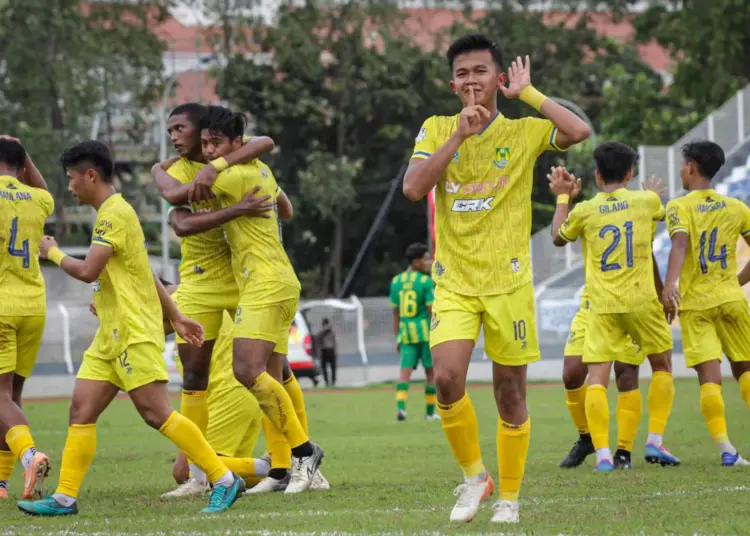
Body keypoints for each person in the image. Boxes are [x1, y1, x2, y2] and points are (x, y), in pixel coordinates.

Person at [402, 33, 590, 524]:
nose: (471, 81)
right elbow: (413, 187)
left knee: (510, 393)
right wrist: (459, 136)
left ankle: (509, 496)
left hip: (509, 284)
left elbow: (578, 131)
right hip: (455, 282)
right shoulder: (437, 127)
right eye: (462, 73)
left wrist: (529, 95)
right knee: (445, 379)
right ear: (452, 83)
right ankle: (474, 477)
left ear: (497, 77)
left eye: (480, 71)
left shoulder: (524, 132)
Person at [17, 141, 244, 517]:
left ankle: (223, 479)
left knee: (157, 414)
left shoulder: (113, 214)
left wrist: (52, 252)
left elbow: (89, 269)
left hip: (133, 333)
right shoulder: (113, 213)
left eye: (72, 178)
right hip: (111, 334)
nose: (70, 187)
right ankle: (64, 497)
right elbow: (146, 274)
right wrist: (177, 317)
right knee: (80, 410)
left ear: (91, 175)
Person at [166, 106, 324, 494]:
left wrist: (165, 169)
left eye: (214, 142)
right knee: (274, 373)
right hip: (270, 279)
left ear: (236, 144)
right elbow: (285, 206)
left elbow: (178, 210)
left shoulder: (232, 175)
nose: (206, 150)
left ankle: (304, 453)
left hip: (265, 283)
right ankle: (283, 469)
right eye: (204, 142)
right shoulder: (259, 170)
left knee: (248, 372)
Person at [150, 102, 276, 487]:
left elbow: (267, 144)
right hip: (200, 283)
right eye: (169, 130)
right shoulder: (171, 169)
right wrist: (157, 169)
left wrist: (216, 167)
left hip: (244, 280)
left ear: (204, 132)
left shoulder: (231, 158)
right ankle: (204, 474)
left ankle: (295, 461)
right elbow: (177, 211)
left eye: (180, 128)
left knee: (273, 370)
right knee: (192, 372)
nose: (174, 136)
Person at [552, 142, 678, 474]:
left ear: (595, 175)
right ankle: (647, 438)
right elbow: (658, 214)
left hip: (604, 305)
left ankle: (615, 453)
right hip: (635, 303)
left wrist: (563, 197)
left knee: (608, 376)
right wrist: (650, 195)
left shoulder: (586, 210)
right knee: (661, 365)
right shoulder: (647, 201)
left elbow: (558, 237)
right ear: (631, 173)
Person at [662, 140, 750, 466]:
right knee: (745, 370)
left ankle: (727, 449)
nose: (681, 169)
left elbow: (680, 246)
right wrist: (733, 282)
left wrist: (670, 284)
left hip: (696, 304)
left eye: (683, 164)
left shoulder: (679, 207)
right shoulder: (737, 207)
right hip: (731, 299)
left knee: (709, 377)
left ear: (691, 167)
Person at [0, 137, 53, 501]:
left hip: (1, 305)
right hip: (34, 305)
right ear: (21, 167)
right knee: (11, 397)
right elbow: (44, 189)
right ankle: (1, 482)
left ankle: (29, 454)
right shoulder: (37, 198)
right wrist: (23, 153)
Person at [389, 243, 439, 422]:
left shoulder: (396, 282)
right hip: (425, 333)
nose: (429, 262)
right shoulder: (426, 282)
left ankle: (401, 409)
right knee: (431, 374)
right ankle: (430, 413)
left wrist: (397, 336)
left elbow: (395, 312)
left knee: (404, 374)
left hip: (405, 334)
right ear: (416, 262)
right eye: (426, 258)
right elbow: (430, 310)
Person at [317, 318, 338, 387]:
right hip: (324, 351)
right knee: (324, 368)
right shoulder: (321, 333)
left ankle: (333, 382)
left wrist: (336, 352)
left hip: (331, 351)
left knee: (333, 368)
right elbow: (318, 342)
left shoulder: (332, 332)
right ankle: (326, 382)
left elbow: (335, 343)